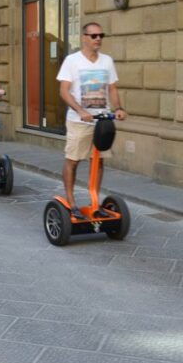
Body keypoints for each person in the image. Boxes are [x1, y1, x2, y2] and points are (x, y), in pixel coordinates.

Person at [57, 21, 127, 219]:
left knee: (99, 162)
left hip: (102, 122)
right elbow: (63, 90)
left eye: (101, 36)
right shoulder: (72, 60)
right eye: (94, 36)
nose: (98, 39)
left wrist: (119, 108)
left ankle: (94, 201)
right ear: (84, 38)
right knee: (73, 161)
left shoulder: (107, 61)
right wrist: (80, 110)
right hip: (79, 122)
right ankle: (71, 202)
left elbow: (112, 88)